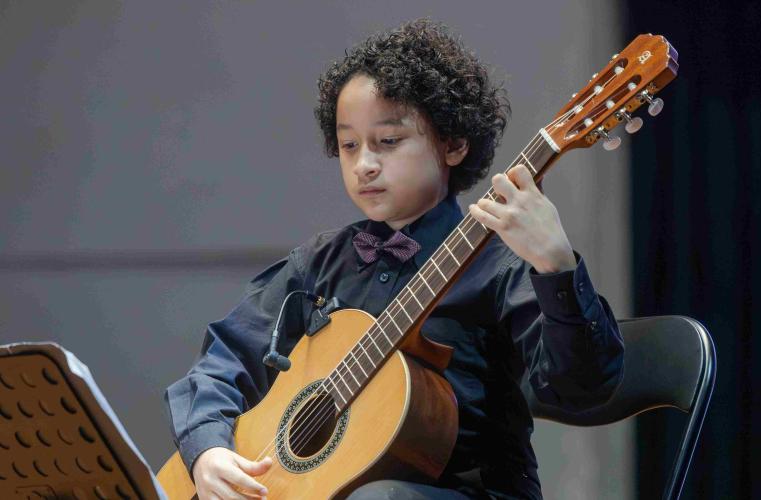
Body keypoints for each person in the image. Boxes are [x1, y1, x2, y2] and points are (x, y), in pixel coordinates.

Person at [164, 18, 624, 500]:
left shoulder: (502, 262)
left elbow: (582, 391)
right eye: (348, 145)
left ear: (453, 144)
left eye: (387, 142)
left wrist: (556, 269)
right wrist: (208, 450)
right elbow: (223, 359)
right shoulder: (320, 263)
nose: (364, 163)